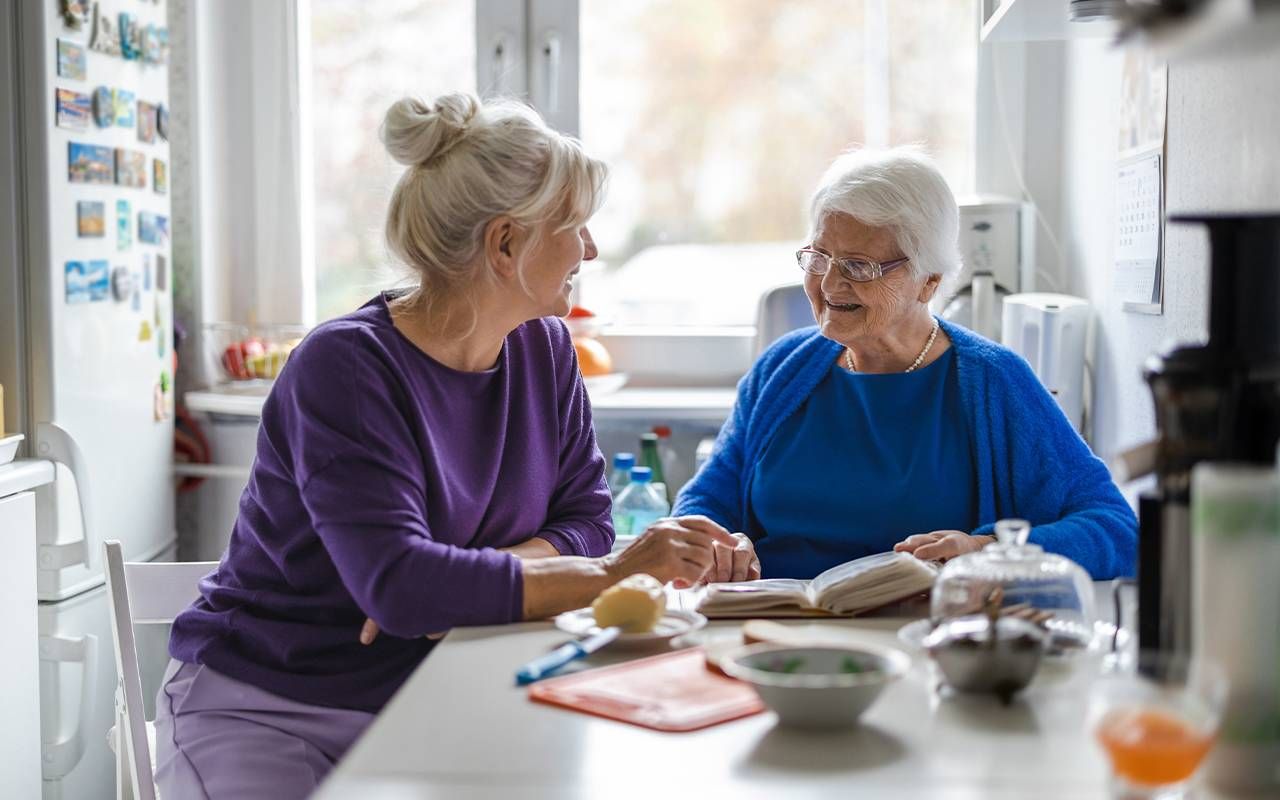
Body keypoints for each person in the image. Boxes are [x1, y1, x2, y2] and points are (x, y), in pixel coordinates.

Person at [154, 93, 736, 799]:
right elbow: (403, 589)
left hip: (434, 694)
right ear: (505, 244)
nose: (591, 248)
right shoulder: (345, 368)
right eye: (575, 225)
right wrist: (612, 574)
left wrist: (453, 584)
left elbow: (585, 522)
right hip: (271, 707)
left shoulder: (547, 349)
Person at [678, 146, 1136, 583]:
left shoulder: (994, 382)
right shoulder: (782, 368)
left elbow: (1117, 529)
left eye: (859, 266)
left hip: (921, 642)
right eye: (819, 257)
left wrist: (988, 553)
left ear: (927, 282)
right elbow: (703, 500)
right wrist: (721, 542)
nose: (830, 283)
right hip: (772, 629)